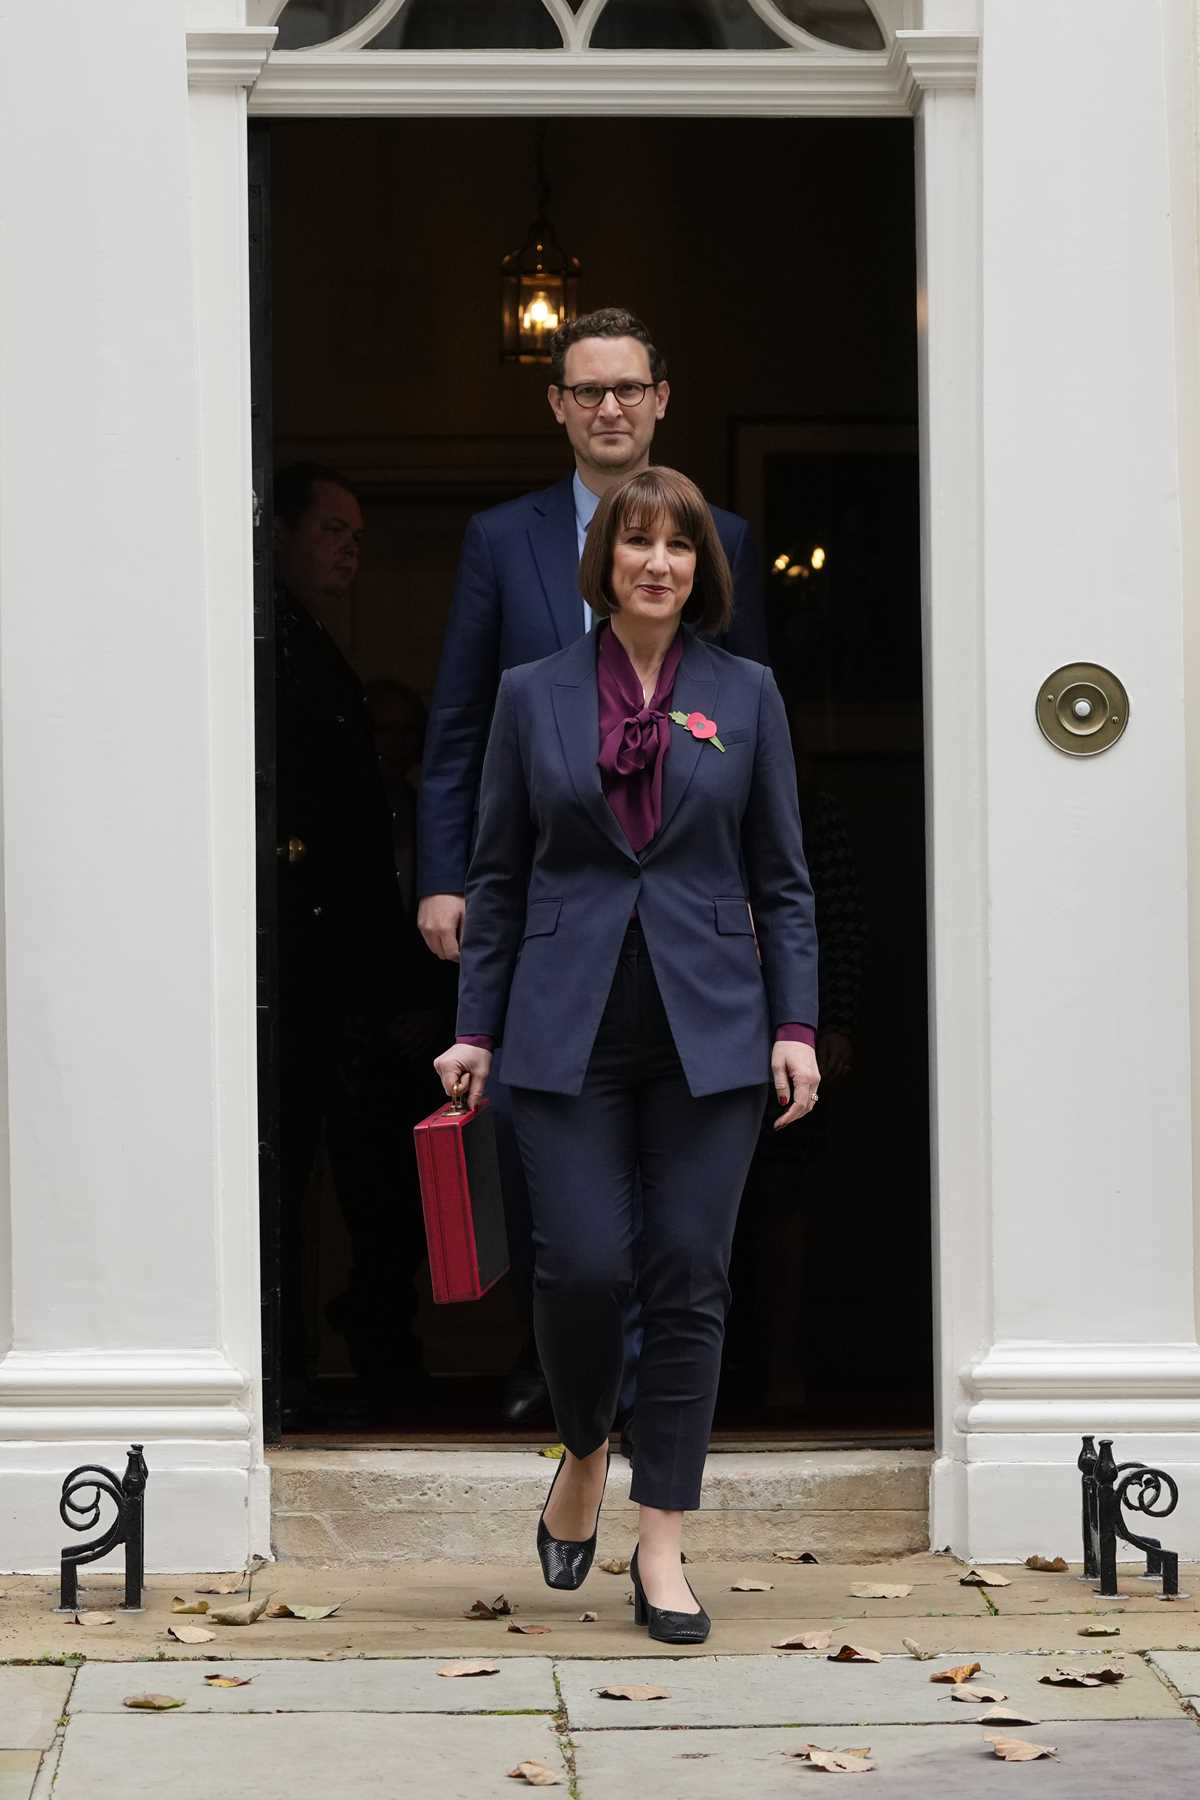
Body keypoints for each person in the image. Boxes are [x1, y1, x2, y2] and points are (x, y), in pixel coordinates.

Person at [432, 467, 818, 1644]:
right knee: (585, 1270)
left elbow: (783, 879)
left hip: (713, 1028)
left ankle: (661, 1544)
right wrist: (475, 1026)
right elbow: (498, 877)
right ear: (603, 564)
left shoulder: (746, 693)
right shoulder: (530, 693)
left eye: (679, 547)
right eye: (637, 543)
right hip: (563, 1024)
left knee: (690, 1273)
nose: (658, 563)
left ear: (703, 570)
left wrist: (795, 1026)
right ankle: (587, 1442)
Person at [418, 306, 769, 1427]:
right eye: (587, 390)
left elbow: (752, 739)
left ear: (661, 400)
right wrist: (444, 875)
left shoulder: (726, 538)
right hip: (543, 891)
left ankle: (652, 1396)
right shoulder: (500, 538)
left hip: (683, 914)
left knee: (684, 1203)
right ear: (558, 406)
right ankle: (568, 1379)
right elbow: (461, 721)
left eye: (628, 388)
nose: (609, 407)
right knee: (554, 1163)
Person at [273, 463, 419, 1421]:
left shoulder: (312, 643)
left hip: (349, 973)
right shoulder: (267, 641)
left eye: (359, 538)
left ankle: (372, 1361)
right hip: (302, 964)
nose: (350, 552)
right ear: (279, 534)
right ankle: (289, 1372)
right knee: (289, 1173)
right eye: (332, 531)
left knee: (372, 1183)